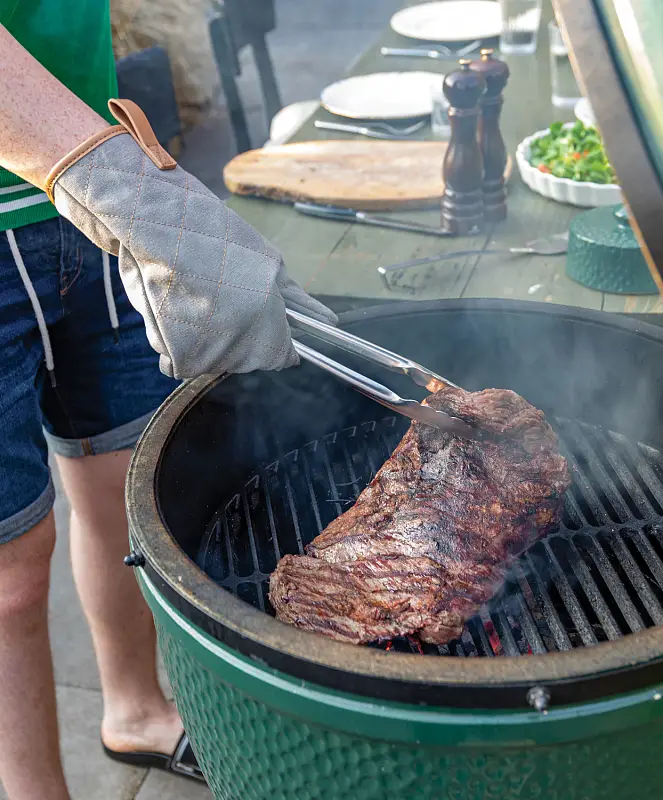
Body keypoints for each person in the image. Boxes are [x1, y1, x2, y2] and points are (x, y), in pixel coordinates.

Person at [0, 3, 335, 798]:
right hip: (94, 175)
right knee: (10, 573)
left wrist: (128, 189)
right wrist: (128, 188)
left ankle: (136, 710)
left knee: (127, 494)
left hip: (93, 201)